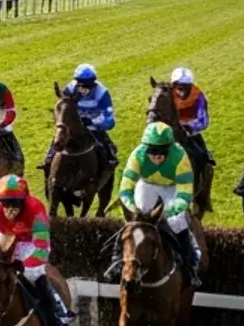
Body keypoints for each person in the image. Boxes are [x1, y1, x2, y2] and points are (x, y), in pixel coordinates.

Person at [0, 175, 69, 326]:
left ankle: (55, 312)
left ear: (24, 200)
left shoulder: (36, 208)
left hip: (31, 240)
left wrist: (22, 266)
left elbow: (42, 248)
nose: (10, 208)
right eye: (5, 203)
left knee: (34, 272)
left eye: (15, 203)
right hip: (5, 235)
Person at [118, 122, 201, 287]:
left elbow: (184, 196)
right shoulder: (137, 156)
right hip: (146, 184)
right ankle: (115, 259)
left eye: (162, 152)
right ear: (145, 148)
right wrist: (134, 210)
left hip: (171, 187)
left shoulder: (179, 157)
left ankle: (190, 263)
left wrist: (167, 212)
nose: (157, 157)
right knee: (136, 221)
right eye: (153, 152)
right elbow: (125, 191)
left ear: (170, 149)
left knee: (176, 221)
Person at [43, 64, 115, 175]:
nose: (84, 90)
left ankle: (108, 164)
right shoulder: (70, 88)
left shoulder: (102, 93)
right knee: (58, 140)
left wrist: (93, 122)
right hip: (74, 126)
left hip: (94, 128)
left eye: (88, 86)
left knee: (105, 150)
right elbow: (64, 106)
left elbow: (110, 121)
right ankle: (48, 161)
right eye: (81, 85)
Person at [168, 66, 214, 174]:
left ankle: (202, 182)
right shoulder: (166, 95)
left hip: (190, 134)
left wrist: (188, 125)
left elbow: (203, 120)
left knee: (202, 157)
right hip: (169, 132)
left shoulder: (198, 96)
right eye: (178, 87)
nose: (181, 91)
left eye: (184, 87)